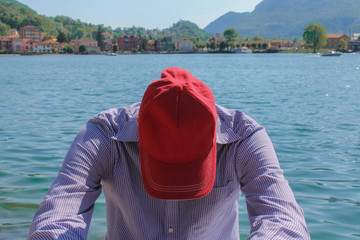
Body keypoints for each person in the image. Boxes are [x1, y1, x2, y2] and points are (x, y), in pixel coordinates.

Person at [28, 67, 310, 239]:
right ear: (140, 132)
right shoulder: (104, 135)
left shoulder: (244, 137)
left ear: (213, 136)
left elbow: (283, 219)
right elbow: (61, 210)